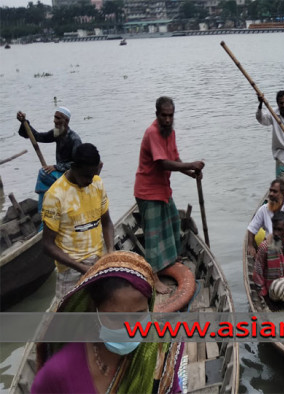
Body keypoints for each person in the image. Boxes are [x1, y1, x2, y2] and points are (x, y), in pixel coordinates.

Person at [32, 251, 184, 394]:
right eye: (115, 318)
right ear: (94, 312)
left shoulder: (160, 347)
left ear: (149, 308)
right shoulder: (58, 373)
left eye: (139, 315)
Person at [134, 96, 205, 294]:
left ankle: (169, 261)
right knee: (153, 236)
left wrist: (191, 174)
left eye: (170, 116)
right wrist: (191, 164)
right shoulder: (152, 132)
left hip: (163, 189)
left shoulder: (169, 132)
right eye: (164, 116)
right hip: (147, 191)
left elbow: (174, 158)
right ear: (157, 115)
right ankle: (153, 276)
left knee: (174, 223)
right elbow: (162, 163)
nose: (167, 119)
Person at [41, 143, 114, 301]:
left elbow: (107, 222)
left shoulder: (97, 183)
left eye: (93, 175)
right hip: (71, 268)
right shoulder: (55, 196)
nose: (89, 181)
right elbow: (47, 245)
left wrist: (111, 251)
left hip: (99, 261)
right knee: (69, 318)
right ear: (73, 167)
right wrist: (82, 268)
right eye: (86, 176)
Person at [16, 107, 82, 213]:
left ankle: (47, 208)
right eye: (54, 117)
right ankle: (43, 212)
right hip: (60, 173)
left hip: (70, 176)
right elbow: (37, 136)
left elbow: (78, 164)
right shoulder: (57, 133)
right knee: (43, 176)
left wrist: (56, 167)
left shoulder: (75, 139)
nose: (54, 121)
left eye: (58, 118)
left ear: (66, 121)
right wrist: (24, 122)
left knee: (43, 173)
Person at [246, 179, 284, 257]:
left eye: (274, 192)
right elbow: (251, 228)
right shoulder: (264, 209)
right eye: (270, 191)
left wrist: (275, 238)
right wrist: (250, 246)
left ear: (283, 193)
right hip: (267, 248)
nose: (271, 194)